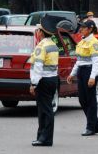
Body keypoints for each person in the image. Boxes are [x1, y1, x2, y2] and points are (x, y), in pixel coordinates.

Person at [29, 14, 65, 147]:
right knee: (46, 109)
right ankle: (43, 137)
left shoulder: (41, 46)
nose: (37, 32)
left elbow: (38, 67)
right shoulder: (53, 45)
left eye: (38, 30)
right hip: (52, 79)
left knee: (44, 110)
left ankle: (45, 138)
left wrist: (33, 83)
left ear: (41, 32)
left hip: (43, 80)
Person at [67, 20, 98, 136]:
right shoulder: (82, 41)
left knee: (91, 100)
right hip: (81, 71)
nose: (81, 29)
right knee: (82, 99)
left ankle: (90, 127)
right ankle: (96, 125)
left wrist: (92, 77)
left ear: (90, 29)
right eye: (81, 27)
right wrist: (72, 74)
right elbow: (79, 60)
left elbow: (96, 62)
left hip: (90, 71)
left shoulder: (94, 42)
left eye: (83, 27)